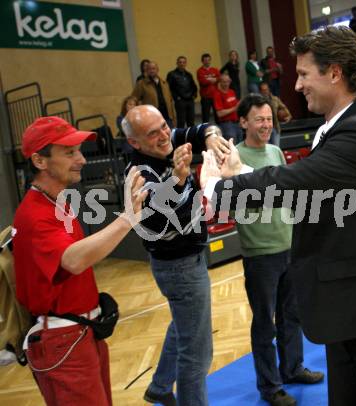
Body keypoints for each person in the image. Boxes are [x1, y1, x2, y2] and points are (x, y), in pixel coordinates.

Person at [201, 26, 356, 406]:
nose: (298, 84)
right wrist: (242, 175)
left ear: (335, 72)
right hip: (354, 304)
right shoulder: (341, 126)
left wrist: (216, 188)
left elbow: (297, 182)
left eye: (305, 73)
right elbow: (313, 193)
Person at [13, 116, 147, 405]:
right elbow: (73, 261)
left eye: (79, 151)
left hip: (80, 335)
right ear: (39, 160)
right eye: (69, 152)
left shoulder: (55, 201)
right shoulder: (36, 215)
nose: (82, 160)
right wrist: (127, 220)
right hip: (64, 342)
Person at [122, 105, 230, 406]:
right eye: (152, 133)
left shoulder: (164, 142)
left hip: (182, 263)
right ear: (135, 143)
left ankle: (159, 387)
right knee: (197, 352)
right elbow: (165, 224)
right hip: (178, 266)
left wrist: (209, 136)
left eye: (164, 126)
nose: (164, 135)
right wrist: (181, 182)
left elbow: (195, 130)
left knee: (183, 326)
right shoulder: (139, 176)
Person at [234, 94, 324, 406]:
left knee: (292, 314)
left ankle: (293, 368)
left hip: (288, 244)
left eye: (269, 119)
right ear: (243, 122)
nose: (265, 124)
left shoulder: (275, 150)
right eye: (259, 119)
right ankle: (270, 386)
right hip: (260, 252)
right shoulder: (232, 157)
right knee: (264, 323)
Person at [132, 61, 176, 127]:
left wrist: (173, 117)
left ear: (157, 70)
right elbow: (134, 99)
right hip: (151, 118)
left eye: (153, 68)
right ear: (146, 71)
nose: (151, 71)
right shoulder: (141, 84)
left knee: (169, 136)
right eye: (149, 69)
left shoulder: (165, 83)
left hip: (167, 117)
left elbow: (170, 100)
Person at [167, 56, 198, 128]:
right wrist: (176, 98)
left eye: (184, 62)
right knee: (181, 121)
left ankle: (191, 137)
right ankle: (180, 138)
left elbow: (194, 86)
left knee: (191, 121)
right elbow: (168, 88)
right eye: (180, 62)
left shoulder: (188, 74)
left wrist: (194, 95)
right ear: (177, 63)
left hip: (190, 100)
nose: (182, 64)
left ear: (186, 63)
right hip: (180, 101)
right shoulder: (172, 74)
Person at [259, 81, 292, 146]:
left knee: (276, 148)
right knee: (266, 149)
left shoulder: (275, 99)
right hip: (264, 129)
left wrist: (289, 116)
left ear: (269, 89)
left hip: (275, 127)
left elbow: (284, 107)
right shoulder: (257, 102)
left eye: (266, 89)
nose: (265, 91)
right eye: (263, 90)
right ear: (260, 91)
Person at [213, 73, 242, 144]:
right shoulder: (217, 94)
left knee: (240, 144)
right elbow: (219, 113)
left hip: (237, 122)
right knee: (232, 146)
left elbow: (237, 107)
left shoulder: (231, 92)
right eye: (224, 82)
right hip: (226, 124)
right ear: (220, 82)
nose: (226, 84)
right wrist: (234, 108)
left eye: (228, 81)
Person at [197, 53, 220, 123]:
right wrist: (213, 80)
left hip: (215, 96)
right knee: (206, 116)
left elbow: (220, 79)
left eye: (208, 60)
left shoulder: (215, 70)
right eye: (205, 60)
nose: (207, 62)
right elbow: (202, 82)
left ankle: (219, 129)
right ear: (202, 61)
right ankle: (204, 131)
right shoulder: (200, 71)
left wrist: (210, 79)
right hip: (205, 97)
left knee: (217, 115)